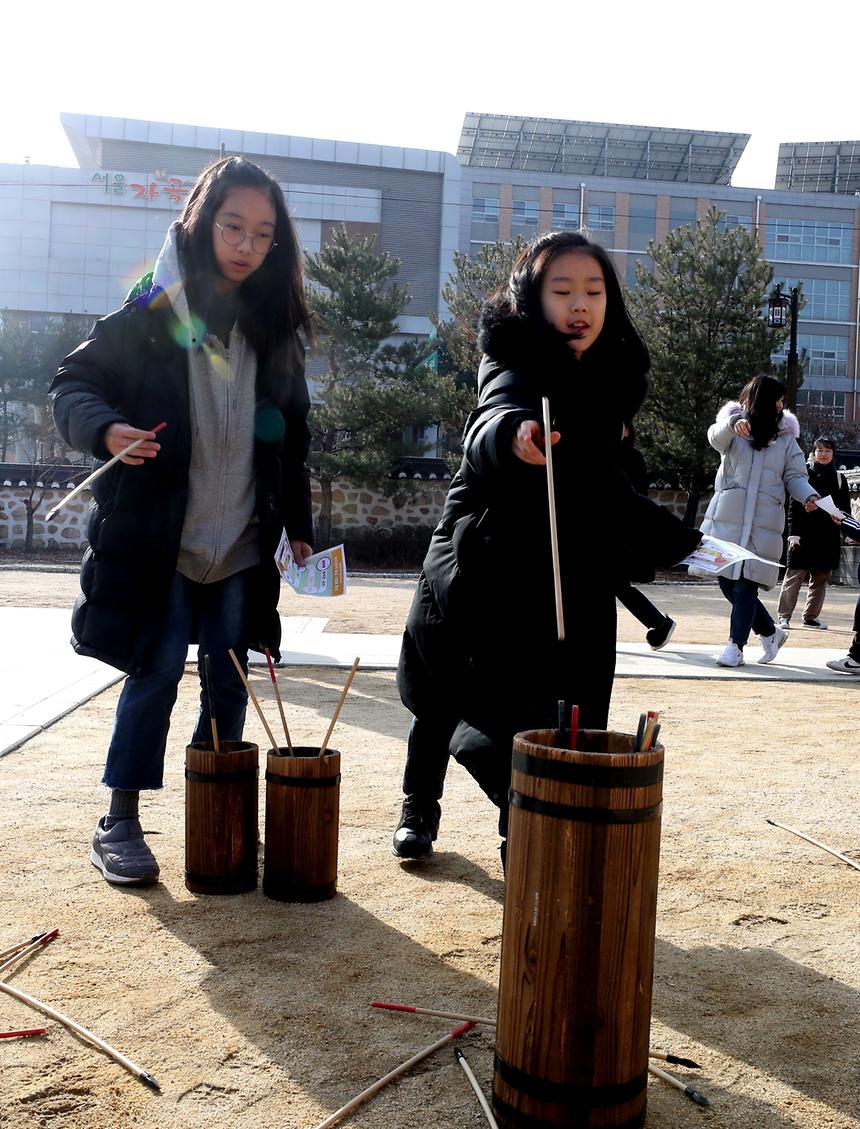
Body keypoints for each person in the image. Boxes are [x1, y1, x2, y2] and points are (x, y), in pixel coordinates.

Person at [393, 230, 701, 862]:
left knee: (561, 709)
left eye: (593, 291)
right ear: (535, 299)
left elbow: (609, 489)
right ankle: (418, 807)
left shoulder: (612, 381)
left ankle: (524, 834)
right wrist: (514, 436)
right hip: (482, 560)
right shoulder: (515, 360)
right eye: (562, 290)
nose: (579, 305)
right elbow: (490, 419)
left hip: (569, 571)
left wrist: (687, 543)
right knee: (445, 692)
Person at [50, 157, 313, 886]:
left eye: (264, 233)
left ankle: (218, 811)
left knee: (229, 682)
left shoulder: (275, 330)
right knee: (156, 669)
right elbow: (73, 380)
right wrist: (104, 430)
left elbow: (293, 440)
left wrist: (299, 527)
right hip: (163, 540)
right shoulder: (152, 312)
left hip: (239, 543)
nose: (246, 244)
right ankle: (120, 818)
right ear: (202, 221)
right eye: (233, 225)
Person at [690, 376, 818, 668]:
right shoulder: (733, 425)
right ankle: (770, 632)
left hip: (763, 524)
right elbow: (714, 439)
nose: (781, 405)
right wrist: (731, 424)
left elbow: (795, 476)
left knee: (745, 587)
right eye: (777, 399)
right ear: (762, 399)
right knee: (727, 583)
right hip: (728, 520)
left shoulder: (786, 438)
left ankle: (735, 647)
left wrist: (808, 496)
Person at [777, 437, 850, 630]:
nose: (823, 454)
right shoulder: (803, 475)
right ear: (813, 453)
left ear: (833, 453)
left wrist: (842, 522)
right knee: (794, 576)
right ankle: (783, 616)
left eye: (827, 450)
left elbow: (845, 510)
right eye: (820, 450)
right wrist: (793, 535)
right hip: (803, 535)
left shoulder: (840, 478)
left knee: (820, 579)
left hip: (828, 536)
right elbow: (793, 508)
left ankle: (811, 616)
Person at [615, 423, 676, 651]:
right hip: (609, 532)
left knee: (615, 583)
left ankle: (659, 623)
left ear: (628, 431)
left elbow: (635, 498)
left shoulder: (631, 458)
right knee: (616, 585)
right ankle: (659, 623)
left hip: (621, 534)